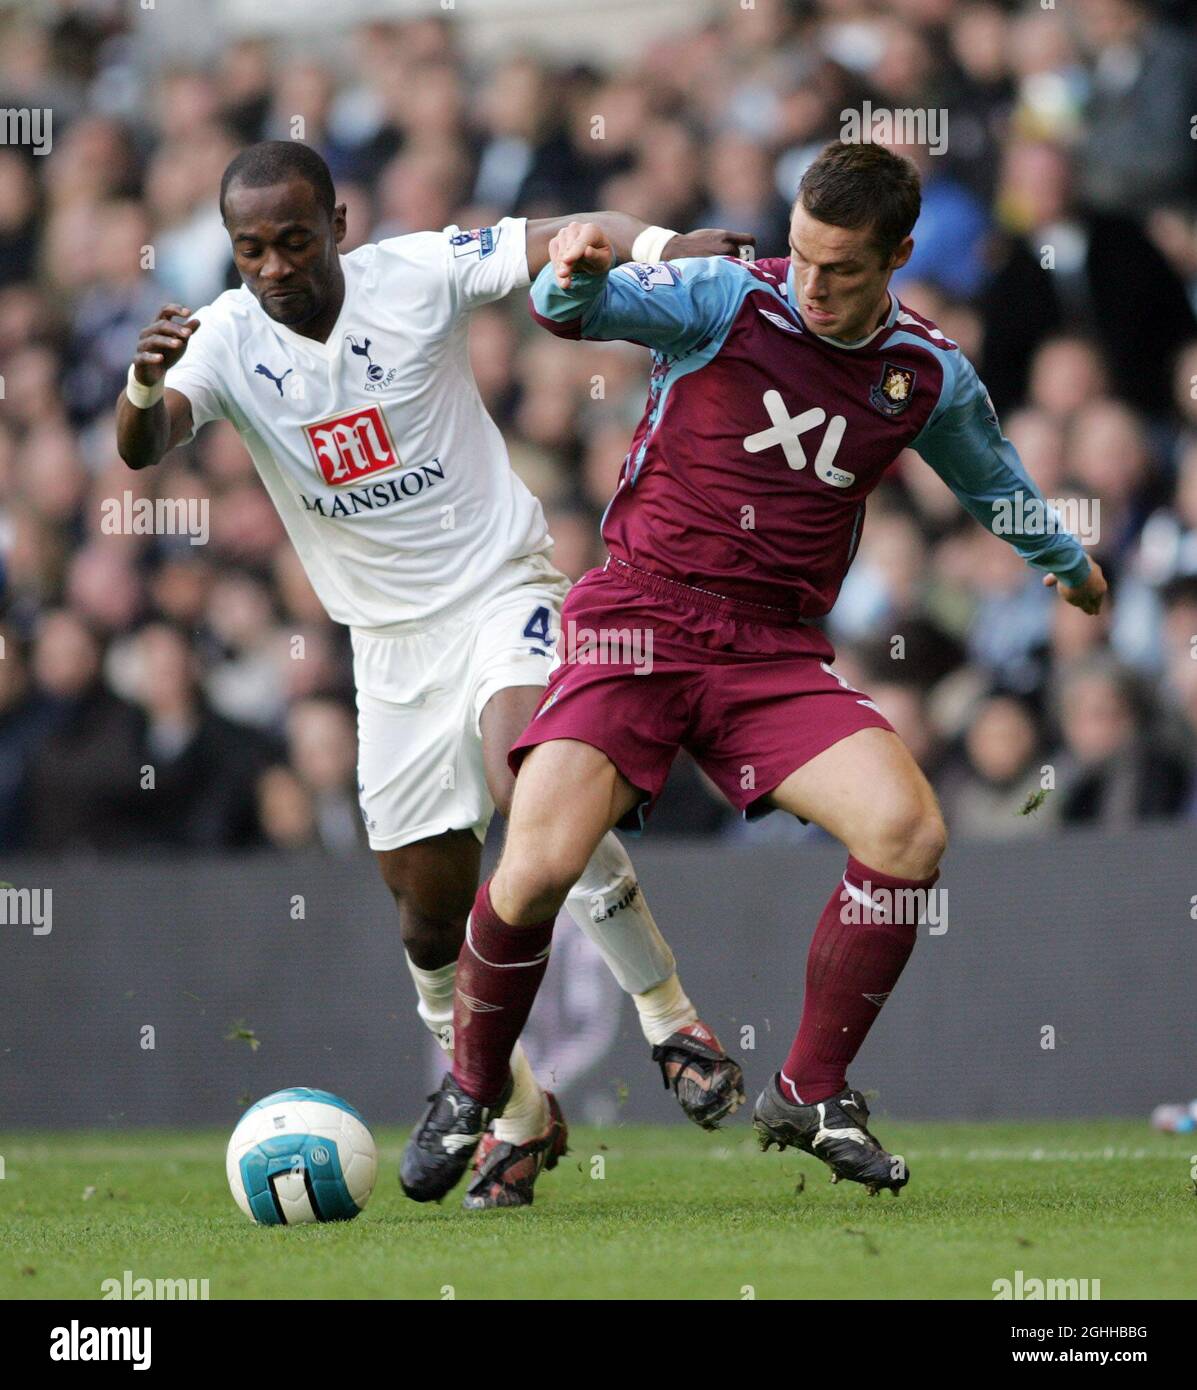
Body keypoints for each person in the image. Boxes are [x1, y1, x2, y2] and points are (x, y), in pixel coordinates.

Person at [401, 140, 1107, 1202]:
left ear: (901, 256)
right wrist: (575, 273)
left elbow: (991, 481)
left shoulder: (923, 374)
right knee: (538, 863)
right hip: (638, 619)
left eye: (844, 270)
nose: (814, 286)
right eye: (804, 257)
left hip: (771, 650)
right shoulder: (724, 294)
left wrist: (1067, 564)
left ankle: (812, 1088)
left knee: (908, 831)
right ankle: (469, 1091)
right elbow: (569, 313)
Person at [115, 140, 752, 1209]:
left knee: (533, 775)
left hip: (502, 587)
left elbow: (553, 236)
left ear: (339, 226)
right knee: (426, 914)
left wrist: (664, 247)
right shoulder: (223, 339)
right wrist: (141, 380)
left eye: (292, 240)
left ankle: (669, 1018)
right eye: (249, 248)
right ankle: (514, 1112)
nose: (272, 264)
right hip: (388, 647)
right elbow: (144, 446)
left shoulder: (414, 274)